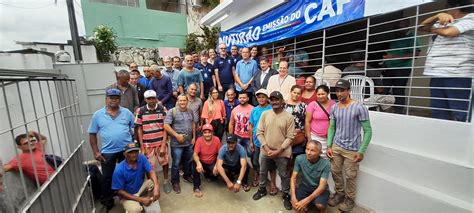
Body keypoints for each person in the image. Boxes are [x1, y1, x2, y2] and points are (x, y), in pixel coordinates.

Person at [420, 0, 473, 121]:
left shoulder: (471, 19)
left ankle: (463, 139)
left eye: (447, 9)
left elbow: (449, 32)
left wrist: (433, 28)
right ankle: (443, 138)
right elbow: (422, 27)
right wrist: (437, 16)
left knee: (461, 113)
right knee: (438, 112)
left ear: (456, 7)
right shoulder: (443, 21)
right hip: (437, 72)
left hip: (458, 74)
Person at [326, 79, 373, 212]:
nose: (339, 93)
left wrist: (361, 151)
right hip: (336, 146)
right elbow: (332, 127)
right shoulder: (334, 107)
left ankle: (350, 199)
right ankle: (339, 194)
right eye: (337, 90)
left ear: (349, 91)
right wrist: (330, 145)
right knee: (335, 172)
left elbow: (368, 131)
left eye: (342, 90)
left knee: (350, 176)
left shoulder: (359, 107)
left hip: (352, 149)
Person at [88, 88, 135, 209]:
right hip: (108, 152)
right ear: (106, 99)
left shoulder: (127, 113)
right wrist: (96, 151)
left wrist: (134, 145)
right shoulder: (98, 115)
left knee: (128, 174)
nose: (114, 100)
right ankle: (108, 201)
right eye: (111, 98)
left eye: (116, 98)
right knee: (107, 177)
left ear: (120, 99)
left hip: (126, 150)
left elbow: (134, 128)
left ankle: (130, 197)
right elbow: (92, 134)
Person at [253, 91, 296, 210]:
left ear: (282, 101)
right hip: (265, 151)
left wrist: (279, 151)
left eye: (277, 99)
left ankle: (286, 194)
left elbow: (290, 137)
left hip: (282, 152)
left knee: (283, 174)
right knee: (262, 171)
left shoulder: (289, 117)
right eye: (272, 100)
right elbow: (259, 132)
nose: (275, 102)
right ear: (269, 101)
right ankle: (262, 190)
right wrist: (266, 148)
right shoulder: (265, 114)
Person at [134, 90, 171, 194]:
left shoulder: (162, 108)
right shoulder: (140, 111)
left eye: (153, 98)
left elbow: (166, 127)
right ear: (145, 100)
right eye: (149, 99)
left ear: (156, 98)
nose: (151, 100)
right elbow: (139, 129)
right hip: (147, 144)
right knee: (149, 166)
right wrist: (141, 146)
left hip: (160, 142)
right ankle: (153, 184)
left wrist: (164, 144)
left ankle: (165, 181)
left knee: (165, 162)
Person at [382, 19, 421, 114]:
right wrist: (384, 64)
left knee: (398, 91)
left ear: (406, 26)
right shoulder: (394, 37)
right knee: (383, 89)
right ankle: (384, 111)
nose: (396, 30)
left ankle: (398, 113)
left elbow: (415, 54)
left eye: (399, 28)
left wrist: (393, 57)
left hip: (402, 68)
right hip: (389, 68)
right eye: (395, 28)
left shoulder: (412, 37)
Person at [163, 95, 198, 193]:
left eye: (184, 101)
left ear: (187, 101)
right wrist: (176, 135)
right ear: (178, 101)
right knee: (176, 163)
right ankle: (175, 181)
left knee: (188, 160)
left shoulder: (190, 111)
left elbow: (193, 124)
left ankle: (187, 175)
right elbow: (166, 125)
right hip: (176, 143)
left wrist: (194, 137)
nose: (182, 102)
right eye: (180, 101)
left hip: (188, 142)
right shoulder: (172, 111)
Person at [111, 143, 160, 213]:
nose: (134, 154)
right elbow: (120, 192)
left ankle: (148, 201)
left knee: (153, 182)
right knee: (135, 210)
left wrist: (157, 188)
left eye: (136, 151)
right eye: (130, 152)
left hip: (140, 189)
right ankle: (137, 204)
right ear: (125, 154)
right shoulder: (119, 169)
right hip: (127, 196)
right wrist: (140, 199)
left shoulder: (142, 158)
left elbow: (151, 171)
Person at [248, 89, 278, 194]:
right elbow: (251, 126)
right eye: (259, 97)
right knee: (256, 162)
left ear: (267, 98)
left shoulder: (271, 109)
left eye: (263, 97)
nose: (261, 99)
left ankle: (273, 183)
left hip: (269, 142)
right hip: (256, 141)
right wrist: (251, 141)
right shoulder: (254, 110)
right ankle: (257, 176)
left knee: (270, 164)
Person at [290, 140, 331, 213]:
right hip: (305, 186)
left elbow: (321, 187)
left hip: (319, 188)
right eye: (307, 149)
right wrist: (293, 196)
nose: (308, 153)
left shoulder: (326, 164)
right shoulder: (299, 159)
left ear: (320, 153)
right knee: (296, 205)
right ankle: (308, 206)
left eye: (313, 151)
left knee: (320, 205)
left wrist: (306, 201)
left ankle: (323, 209)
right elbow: (293, 178)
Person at [305, 85, 336, 158]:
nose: (321, 96)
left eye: (323, 94)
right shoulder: (312, 105)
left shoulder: (334, 104)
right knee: (314, 157)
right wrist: (309, 139)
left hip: (329, 138)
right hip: (315, 137)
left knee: (328, 158)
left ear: (327, 93)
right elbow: (307, 121)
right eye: (318, 94)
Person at [192, 124, 221, 198]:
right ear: (202, 133)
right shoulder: (199, 140)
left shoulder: (217, 140)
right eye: (205, 132)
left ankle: (208, 175)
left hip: (212, 162)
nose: (207, 134)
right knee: (194, 163)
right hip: (202, 162)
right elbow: (195, 154)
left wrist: (216, 165)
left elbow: (220, 155)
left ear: (212, 132)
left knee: (217, 174)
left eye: (209, 132)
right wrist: (198, 163)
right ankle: (196, 187)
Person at [285, 85, 307, 167]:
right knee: (285, 158)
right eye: (294, 92)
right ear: (291, 92)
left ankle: (293, 177)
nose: (296, 95)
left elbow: (306, 121)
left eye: (298, 93)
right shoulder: (284, 104)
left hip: (298, 136)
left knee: (295, 158)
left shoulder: (304, 106)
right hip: (285, 135)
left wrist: (304, 134)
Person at [228, 92, 254, 160]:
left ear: (248, 98)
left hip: (249, 137)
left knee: (250, 153)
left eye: (244, 98)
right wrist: (231, 136)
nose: (242, 99)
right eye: (240, 98)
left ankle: (253, 167)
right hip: (237, 136)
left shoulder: (253, 109)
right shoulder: (235, 109)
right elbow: (231, 123)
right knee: (237, 154)